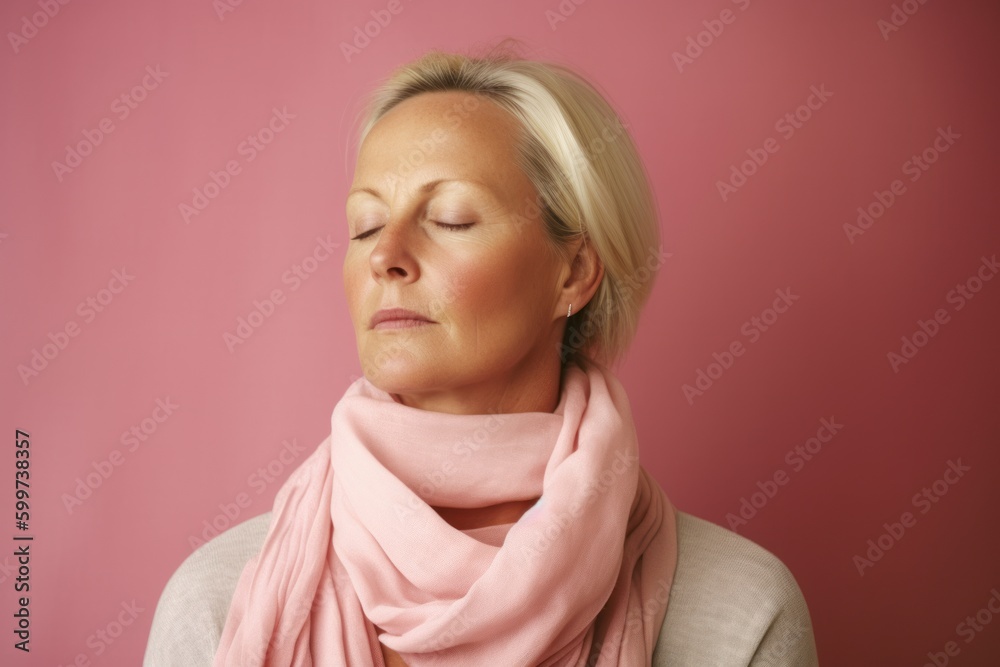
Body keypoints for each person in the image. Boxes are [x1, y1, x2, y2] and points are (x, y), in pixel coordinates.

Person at [144, 42, 819, 666]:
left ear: (575, 272)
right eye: (366, 224)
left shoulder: (738, 611)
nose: (385, 255)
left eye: (451, 219)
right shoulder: (219, 602)